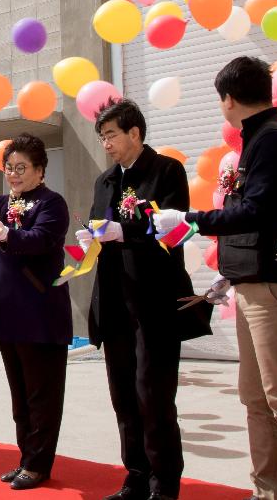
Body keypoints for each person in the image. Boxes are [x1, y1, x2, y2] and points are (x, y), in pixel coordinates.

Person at [153, 57, 277, 500]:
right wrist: (228, 275)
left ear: (228, 100)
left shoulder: (272, 139)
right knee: (256, 399)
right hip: (253, 285)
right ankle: (270, 489)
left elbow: (258, 212)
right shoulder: (259, 138)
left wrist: (189, 219)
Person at [81, 98, 211, 500]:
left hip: (153, 300)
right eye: (101, 136)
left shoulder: (166, 171)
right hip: (114, 300)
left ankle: (164, 484)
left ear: (135, 133)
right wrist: (92, 237)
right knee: (123, 396)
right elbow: (98, 221)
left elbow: (174, 231)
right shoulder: (105, 181)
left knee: (153, 395)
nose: (106, 143)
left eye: (112, 135)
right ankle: (135, 476)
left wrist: (127, 232)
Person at [0, 134, 71, 491]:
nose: (13, 174)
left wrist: (4, 234)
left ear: (40, 170)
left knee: (42, 393)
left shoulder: (52, 203)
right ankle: (26, 456)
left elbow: (40, 241)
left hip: (40, 310)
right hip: (6, 310)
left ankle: (39, 463)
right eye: (9, 168)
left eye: (21, 168)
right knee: (19, 393)